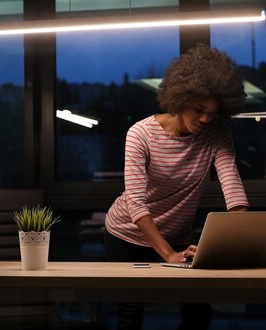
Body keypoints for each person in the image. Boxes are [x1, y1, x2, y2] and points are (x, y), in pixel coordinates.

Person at [103, 44, 251, 330]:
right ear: (179, 98)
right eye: (199, 109)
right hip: (127, 235)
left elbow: (232, 186)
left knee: (198, 314)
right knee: (131, 314)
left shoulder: (217, 134)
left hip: (178, 236)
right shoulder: (140, 133)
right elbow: (135, 201)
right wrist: (168, 254)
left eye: (212, 112)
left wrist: (246, 244)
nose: (206, 119)